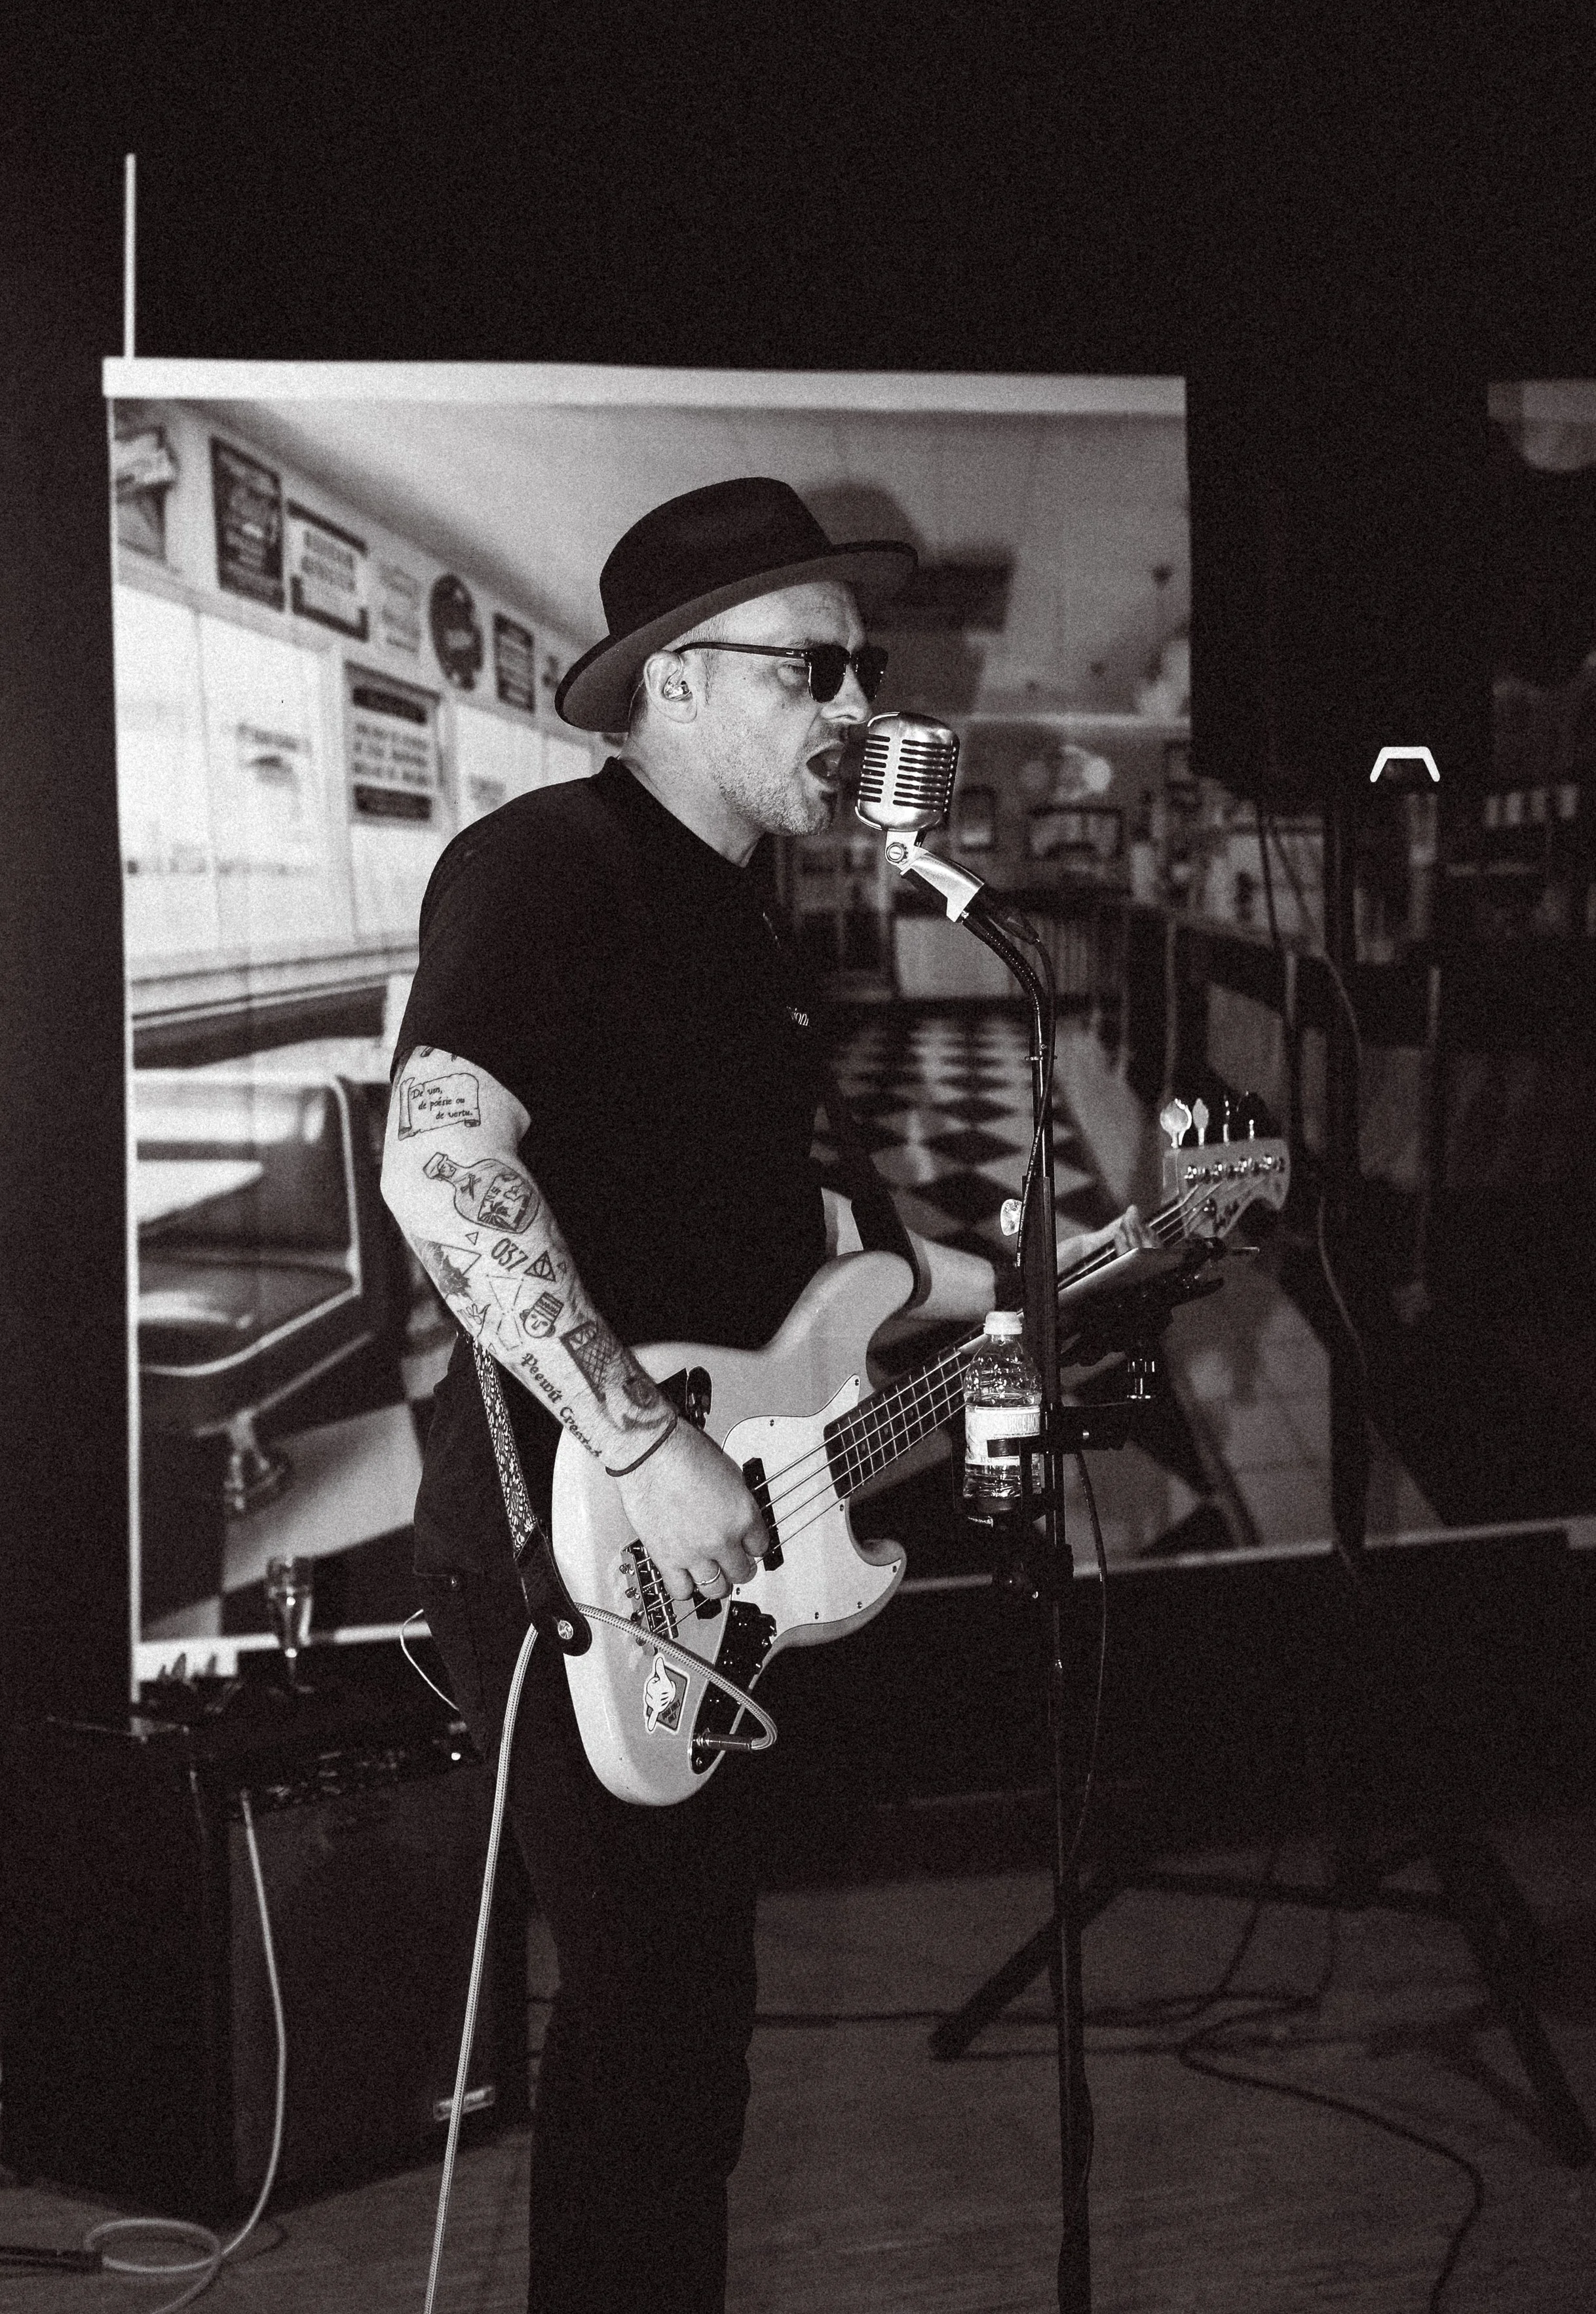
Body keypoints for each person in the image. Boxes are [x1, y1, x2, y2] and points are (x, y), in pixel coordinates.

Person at [379, 476, 1147, 2314]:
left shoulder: (741, 924)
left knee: (682, 2040)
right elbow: (435, 1161)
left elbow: (807, 1266)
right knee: (648, 2033)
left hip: (713, 1514)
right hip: (568, 1534)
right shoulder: (547, 867)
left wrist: (1082, 1271)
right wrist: (637, 1443)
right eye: (814, 674)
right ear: (674, 681)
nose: (857, 715)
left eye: (860, 674)